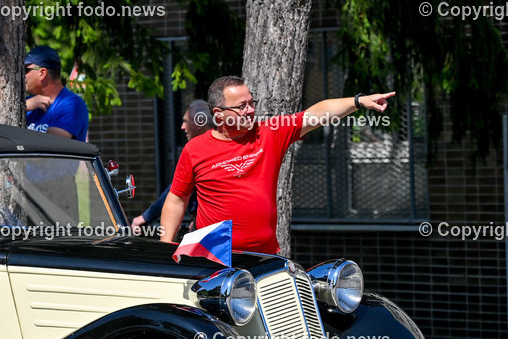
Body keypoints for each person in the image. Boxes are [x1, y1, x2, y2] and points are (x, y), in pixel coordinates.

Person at [159, 76, 394, 254]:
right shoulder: (195, 149)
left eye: (251, 102)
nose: (251, 110)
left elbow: (316, 114)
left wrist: (358, 101)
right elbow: (177, 198)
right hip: (213, 257)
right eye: (242, 106)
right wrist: (165, 246)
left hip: (264, 257)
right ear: (219, 114)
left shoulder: (270, 132)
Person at [132, 99, 214, 234]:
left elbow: (175, 194)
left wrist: (145, 217)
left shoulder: (200, 152)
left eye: (186, 121)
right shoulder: (212, 147)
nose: (182, 127)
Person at [25, 45, 89, 141]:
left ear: (42, 73)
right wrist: (24, 106)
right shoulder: (29, 103)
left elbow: (50, 145)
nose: (21, 74)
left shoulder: (72, 105)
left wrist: (21, 107)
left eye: (26, 70)